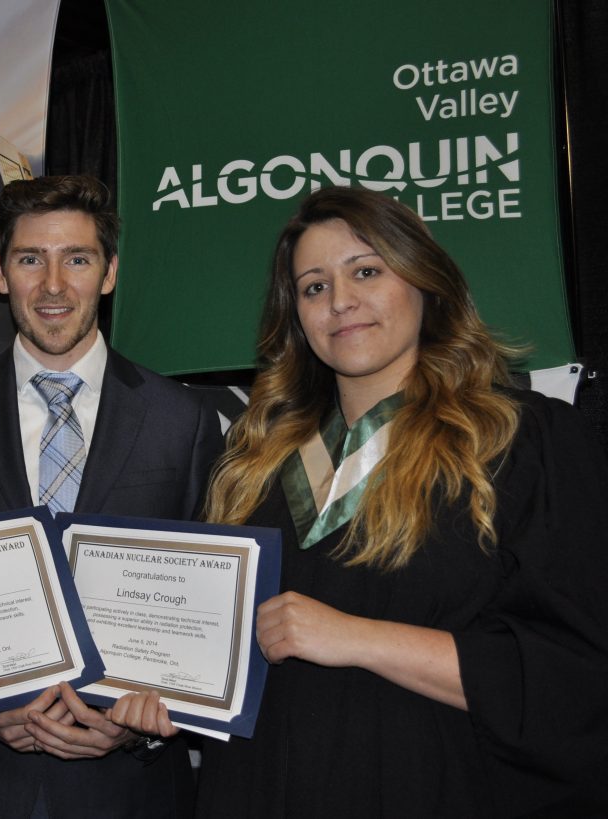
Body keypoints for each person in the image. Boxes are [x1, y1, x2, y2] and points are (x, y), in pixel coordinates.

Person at [170, 186, 608, 817]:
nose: (340, 302)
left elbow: (570, 678)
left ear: (426, 284)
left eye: (366, 272)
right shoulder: (255, 458)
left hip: (431, 786)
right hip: (257, 789)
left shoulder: (520, 440)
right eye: (314, 287)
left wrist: (356, 638)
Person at [0, 174, 224, 818]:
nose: (52, 285)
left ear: (108, 273)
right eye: (29, 259)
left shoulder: (181, 419)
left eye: (76, 258)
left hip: (133, 789)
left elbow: (207, 609)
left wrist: (137, 723)